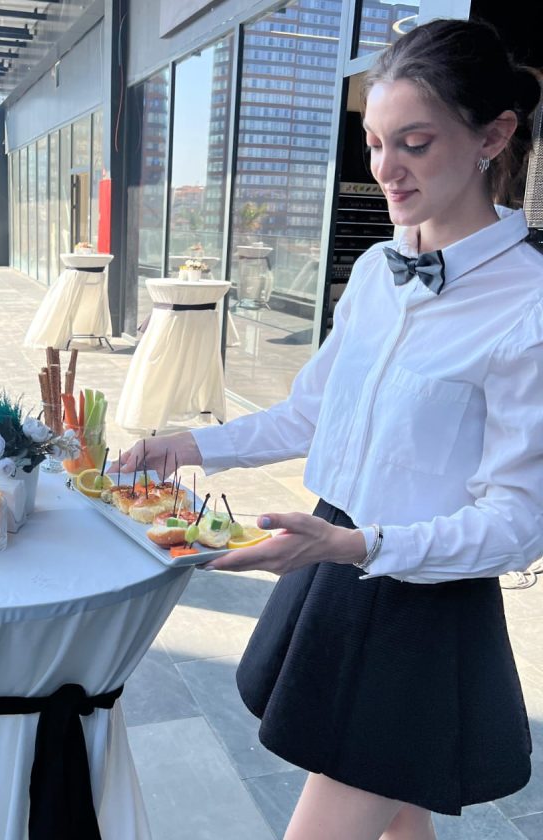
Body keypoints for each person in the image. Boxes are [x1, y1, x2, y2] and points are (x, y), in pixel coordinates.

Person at [117, 19, 543, 840]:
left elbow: (519, 523)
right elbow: (312, 412)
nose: (386, 169)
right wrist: (191, 445)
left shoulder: (529, 306)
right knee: (401, 821)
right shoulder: (379, 270)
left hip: (420, 608)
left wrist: (356, 547)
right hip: (337, 562)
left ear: (493, 136)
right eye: (376, 143)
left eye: (415, 143)